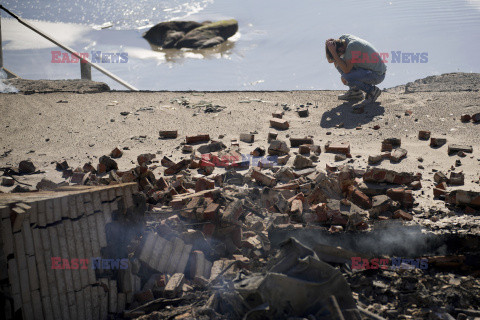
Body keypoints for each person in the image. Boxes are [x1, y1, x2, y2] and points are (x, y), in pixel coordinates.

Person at [326, 35, 386, 103]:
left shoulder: (352, 46)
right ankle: (355, 92)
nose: (339, 56)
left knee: (346, 77)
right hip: (365, 70)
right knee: (337, 62)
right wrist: (328, 45)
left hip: (377, 74)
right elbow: (331, 60)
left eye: (339, 54)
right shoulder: (342, 40)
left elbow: (346, 70)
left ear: (341, 49)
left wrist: (334, 54)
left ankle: (372, 91)